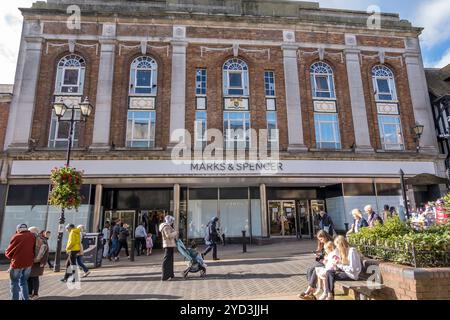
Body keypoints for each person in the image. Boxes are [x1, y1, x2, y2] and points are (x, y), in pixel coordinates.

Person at [323, 236, 362, 300]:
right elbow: (345, 265)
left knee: (329, 274)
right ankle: (330, 295)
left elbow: (353, 269)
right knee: (329, 272)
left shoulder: (352, 251)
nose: (337, 248)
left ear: (341, 244)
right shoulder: (345, 251)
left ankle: (330, 296)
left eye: (337, 245)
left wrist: (339, 265)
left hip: (352, 275)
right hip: (347, 272)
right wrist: (337, 264)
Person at [299, 230, 334, 300]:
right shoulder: (323, 243)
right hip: (324, 261)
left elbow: (330, 256)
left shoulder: (330, 243)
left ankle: (310, 290)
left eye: (321, 239)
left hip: (328, 263)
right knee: (309, 270)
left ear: (325, 236)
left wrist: (320, 258)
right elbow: (323, 255)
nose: (320, 241)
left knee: (315, 269)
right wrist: (318, 256)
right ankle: (311, 289)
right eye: (319, 239)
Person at [5, 224, 36, 300]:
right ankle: (25, 298)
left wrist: (8, 254)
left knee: (14, 282)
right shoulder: (32, 236)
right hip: (28, 263)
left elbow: (9, 251)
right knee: (24, 281)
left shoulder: (16, 236)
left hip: (17, 263)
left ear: (18, 229)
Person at [28, 229, 49, 300]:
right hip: (32, 262)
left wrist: (40, 261)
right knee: (30, 278)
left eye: (30, 232)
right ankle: (30, 293)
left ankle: (35, 294)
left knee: (34, 278)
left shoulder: (40, 239)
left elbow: (45, 251)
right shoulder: (34, 238)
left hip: (37, 262)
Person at [159, 215, 178, 281]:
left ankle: (170, 274)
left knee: (170, 260)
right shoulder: (166, 227)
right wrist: (175, 233)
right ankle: (165, 275)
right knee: (167, 260)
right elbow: (168, 236)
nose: (172, 222)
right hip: (168, 244)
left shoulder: (168, 226)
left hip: (170, 244)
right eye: (172, 221)